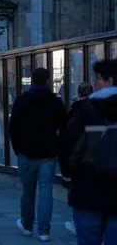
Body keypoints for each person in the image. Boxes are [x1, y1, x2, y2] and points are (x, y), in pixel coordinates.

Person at [60, 60, 117, 244]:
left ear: (110, 80)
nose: (94, 83)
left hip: (88, 189)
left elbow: (69, 147)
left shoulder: (86, 111)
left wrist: (68, 177)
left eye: (98, 79)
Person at [9, 68, 68, 242]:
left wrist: (18, 149)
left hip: (26, 153)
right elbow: (64, 127)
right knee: (45, 192)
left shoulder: (22, 101)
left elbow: (13, 129)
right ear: (48, 81)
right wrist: (56, 147)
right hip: (48, 154)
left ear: (32, 81)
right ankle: (44, 230)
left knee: (28, 192)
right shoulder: (55, 102)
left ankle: (27, 225)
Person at [59, 81, 93, 237]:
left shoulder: (74, 112)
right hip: (94, 159)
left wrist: (65, 167)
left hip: (76, 159)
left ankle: (75, 223)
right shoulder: (98, 110)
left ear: (79, 93)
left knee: (75, 192)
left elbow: (67, 140)